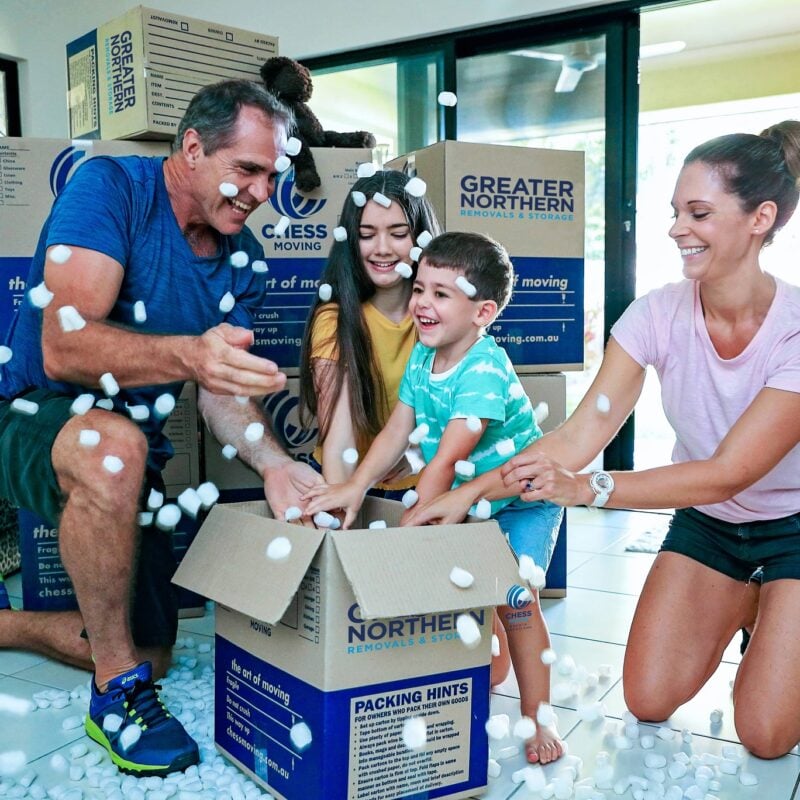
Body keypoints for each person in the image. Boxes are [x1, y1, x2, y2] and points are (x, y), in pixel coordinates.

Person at [406, 121, 800, 759]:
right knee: (647, 697)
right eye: (675, 212)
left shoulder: (795, 331)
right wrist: (470, 493)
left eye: (698, 213)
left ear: (760, 218)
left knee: (766, 736)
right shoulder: (656, 313)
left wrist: (591, 489)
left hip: (793, 527)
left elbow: (732, 470)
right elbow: (581, 431)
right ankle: (743, 597)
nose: (677, 229)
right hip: (711, 528)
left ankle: (773, 609)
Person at [0, 79, 323, 775]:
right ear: (193, 148)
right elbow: (65, 343)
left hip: (129, 446)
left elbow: (220, 394)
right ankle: (115, 697)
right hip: (33, 413)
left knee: (153, 650)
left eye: (273, 176)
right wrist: (187, 353)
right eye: (247, 170)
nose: (261, 192)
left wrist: (272, 462)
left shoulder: (245, 265)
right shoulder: (111, 187)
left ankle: (11, 628)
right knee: (113, 444)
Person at [304, 231, 566, 764]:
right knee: (476, 609)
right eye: (420, 287)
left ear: (482, 312)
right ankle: (490, 663)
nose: (422, 302)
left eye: (442, 294)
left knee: (515, 598)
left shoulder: (484, 371)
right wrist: (355, 484)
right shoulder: (425, 359)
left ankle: (540, 719)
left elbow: (445, 462)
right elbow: (398, 431)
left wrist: (411, 533)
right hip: (469, 501)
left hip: (523, 500)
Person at [298, 170, 440, 497]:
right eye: (366, 234)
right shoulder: (334, 320)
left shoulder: (445, 315)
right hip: (353, 486)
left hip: (429, 483)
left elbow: (463, 418)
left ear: (420, 237)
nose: (382, 248)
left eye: (398, 233)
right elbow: (338, 443)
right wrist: (341, 515)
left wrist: (418, 456)